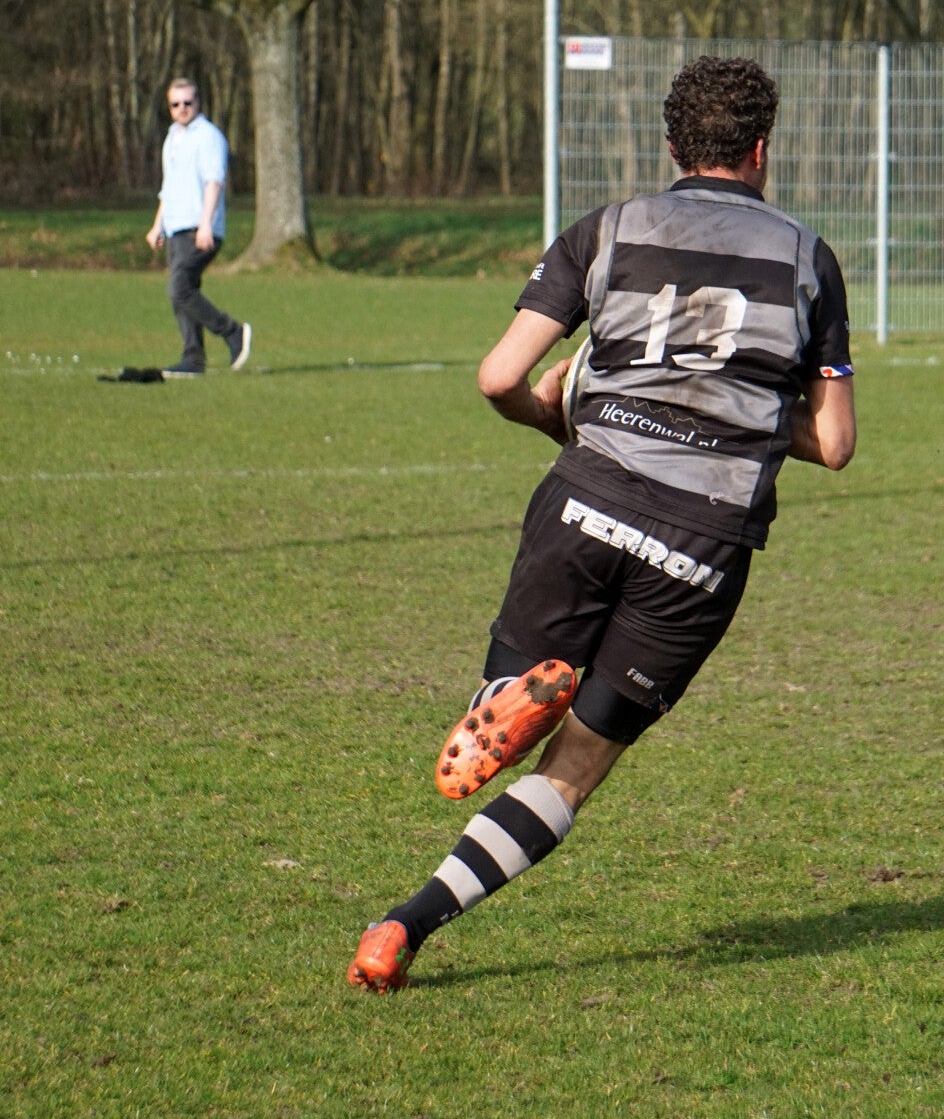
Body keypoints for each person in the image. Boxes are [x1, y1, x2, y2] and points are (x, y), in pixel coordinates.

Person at [347, 57, 857, 991]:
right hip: (704, 542)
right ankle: (402, 926)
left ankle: (506, 691)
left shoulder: (608, 228)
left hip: (589, 497)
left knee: (522, 673)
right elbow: (833, 442)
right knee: (575, 768)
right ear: (760, 150)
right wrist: (741, 410)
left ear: (672, 147)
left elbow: (500, 377)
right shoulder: (806, 257)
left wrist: (560, 412)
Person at [144, 78, 251, 377]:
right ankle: (193, 359)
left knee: (179, 288)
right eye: (175, 104)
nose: (182, 108)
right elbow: (169, 187)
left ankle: (233, 332)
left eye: (187, 102)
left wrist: (206, 225)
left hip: (199, 229)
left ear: (198, 103)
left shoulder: (208, 137)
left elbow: (214, 181)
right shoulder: (172, 138)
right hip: (176, 228)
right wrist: (158, 225)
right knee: (181, 292)